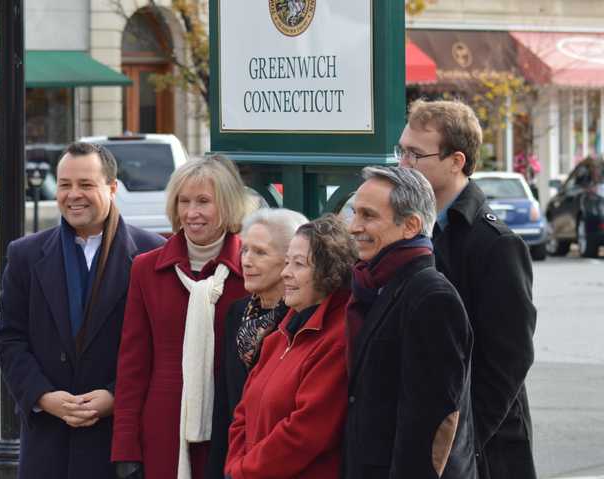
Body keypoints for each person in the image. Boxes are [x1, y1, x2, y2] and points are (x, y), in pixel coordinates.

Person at [0, 142, 164, 479]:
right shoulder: (25, 255)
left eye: (86, 185)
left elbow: (163, 346)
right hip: (47, 441)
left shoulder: (152, 253)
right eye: (65, 185)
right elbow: (8, 339)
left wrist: (115, 396)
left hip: (120, 441)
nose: (73, 195)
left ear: (112, 189)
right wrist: (43, 396)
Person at [398, 99, 537, 479]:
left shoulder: (495, 244)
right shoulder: (410, 227)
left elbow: (509, 360)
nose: (403, 163)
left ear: (456, 161)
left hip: (484, 452)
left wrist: (462, 443)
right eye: (401, 150)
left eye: (415, 154)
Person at [111, 155, 252, 479]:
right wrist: (125, 448)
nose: (191, 213)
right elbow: (132, 365)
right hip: (163, 432)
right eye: (183, 201)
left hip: (233, 428)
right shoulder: (147, 269)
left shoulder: (252, 268)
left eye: (204, 201)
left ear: (228, 204)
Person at [343, 166, 476, 479]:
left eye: (368, 216)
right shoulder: (376, 285)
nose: (354, 227)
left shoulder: (431, 297)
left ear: (411, 225)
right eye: (354, 213)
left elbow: (432, 424)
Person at [225, 214, 357, 479]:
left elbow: (305, 433)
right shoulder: (282, 333)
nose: (286, 273)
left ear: (328, 272)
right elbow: (243, 412)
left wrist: (243, 470)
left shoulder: (337, 339)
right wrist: (236, 466)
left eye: (299, 264)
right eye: (286, 262)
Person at [206, 208, 308, 479]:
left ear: (289, 261)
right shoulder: (237, 312)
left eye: (260, 252)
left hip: (278, 463)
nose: (247, 261)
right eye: (245, 250)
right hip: (235, 460)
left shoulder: (299, 320)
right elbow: (225, 402)